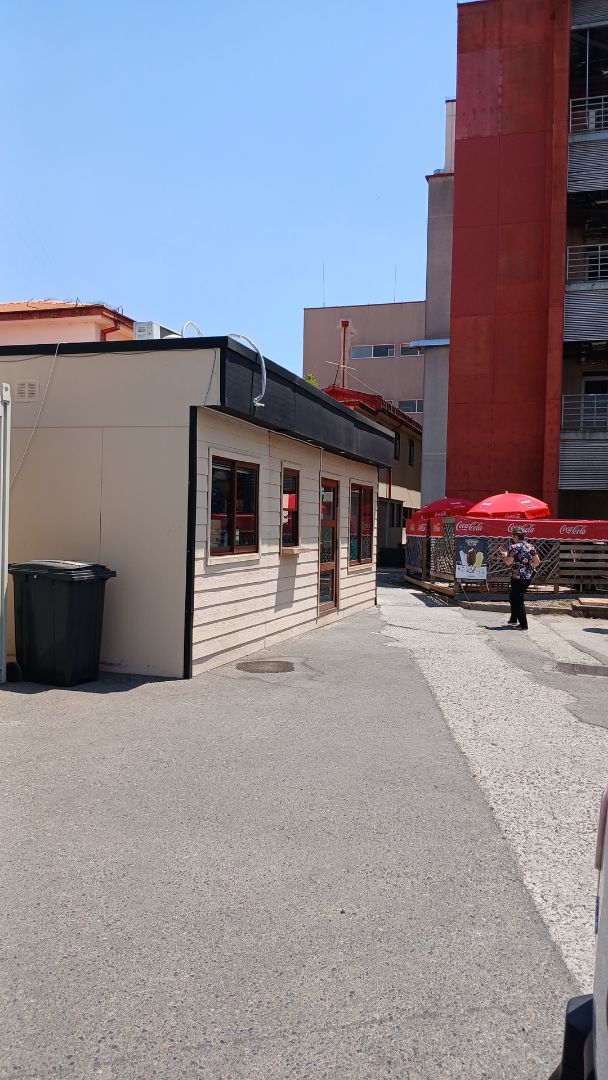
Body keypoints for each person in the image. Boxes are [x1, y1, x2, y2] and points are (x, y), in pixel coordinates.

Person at [499, 526, 540, 630]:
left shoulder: (513, 547)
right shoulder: (530, 546)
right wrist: (528, 568)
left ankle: (523, 624)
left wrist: (504, 555)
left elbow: (508, 562)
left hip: (517, 576)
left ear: (515, 536)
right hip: (527, 577)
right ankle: (513, 618)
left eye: (512, 536)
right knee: (513, 597)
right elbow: (537, 562)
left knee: (518, 600)